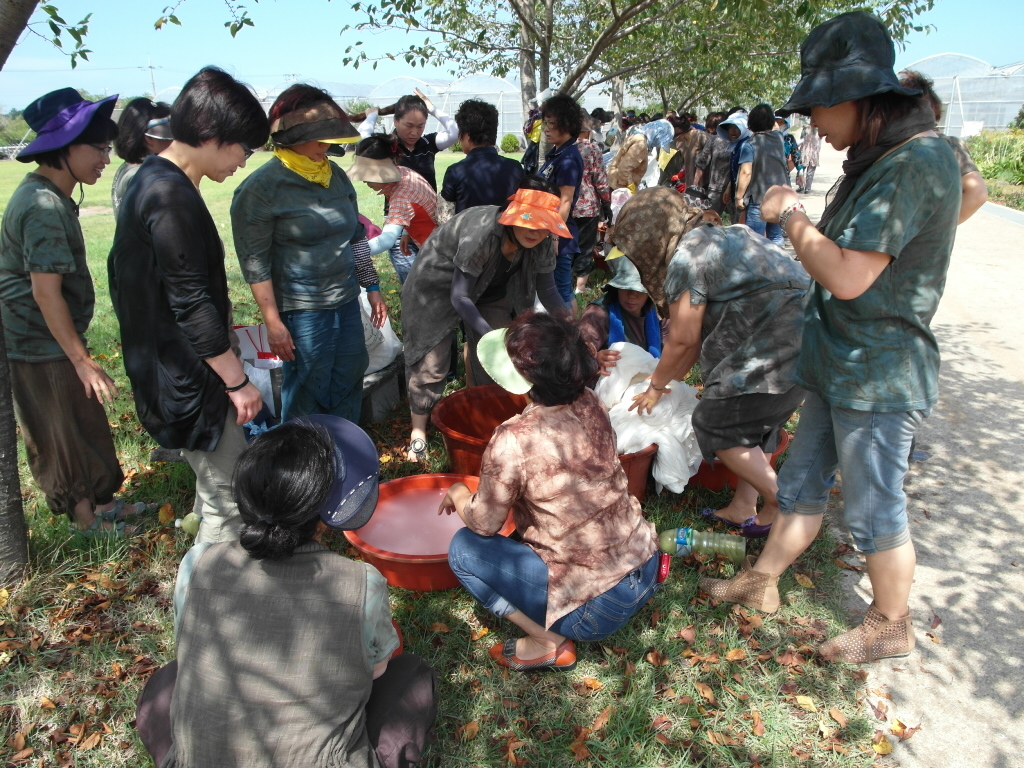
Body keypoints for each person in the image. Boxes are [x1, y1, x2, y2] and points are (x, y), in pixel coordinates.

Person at [699, 11, 961, 663]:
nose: (813, 122)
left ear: (854, 97)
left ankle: (890, 623)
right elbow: (965, 196)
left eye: (818, 106)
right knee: (800, 485)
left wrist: (790, 212)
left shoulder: (914, 160)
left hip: (877, 373)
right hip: (837, 362)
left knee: (874, 509)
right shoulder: (883, 157)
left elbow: (845, 276)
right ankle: (763, 580)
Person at [135, 417, 438, 768]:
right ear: (322, 516)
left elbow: (189, 649)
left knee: (167, 681)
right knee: (412, 675)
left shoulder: (198, 561)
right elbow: (375, 671)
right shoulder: (361, 582)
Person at [441, 311, 661, 671]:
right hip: (646, 564)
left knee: (463, 549)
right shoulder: (591, 401)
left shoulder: (513, 438)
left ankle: (545, 642)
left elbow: (484, 524)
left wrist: (459, 492)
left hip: (596, 609)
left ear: (523, 379)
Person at [108, 67, 269, 545]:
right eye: (243, 149)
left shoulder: (157, 178)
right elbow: (189, 302)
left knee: (214, 485)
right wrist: (237, 382)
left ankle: (201, 556)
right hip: (188, 377)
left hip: (180, 365)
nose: (242, 162)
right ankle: (214, 581)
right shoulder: (168, 195)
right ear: (213, 135)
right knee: (230, 500)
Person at [619, 188, 809, 538]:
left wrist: (655, 388)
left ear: (649, 238)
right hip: (808, 336)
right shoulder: (725, 235)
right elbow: (690, 343)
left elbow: (683, 339)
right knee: (757, 422)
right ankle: (743, 507)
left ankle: (783, 503)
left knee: (716, 423)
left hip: (774, 342)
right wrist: (668, 378)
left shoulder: (686, 257)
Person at [0, 87, 146, 537]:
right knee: (59, 431)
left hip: (56, 338)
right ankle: (86, 523)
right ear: (64, 148)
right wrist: (82, 361)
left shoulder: (52, 196)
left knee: (85, 421)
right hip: (38, 341)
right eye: (98, 148)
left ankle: (104, 504)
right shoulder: (42, 205)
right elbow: (46, 294)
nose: (106, 158)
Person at [231, 84, 386, 424]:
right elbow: (255, 263)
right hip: (301, 311)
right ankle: (303, 454)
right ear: (292, 138)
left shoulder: (336, 177)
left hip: (346, 302)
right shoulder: (261, 189)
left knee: (349, 374)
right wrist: (273, 323)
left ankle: (343, 446)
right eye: (318, 140)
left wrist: (372, 286)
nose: (325, 148)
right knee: (308, 386)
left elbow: (356, 237)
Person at [400, 178, 568, 461]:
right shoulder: (482, 234)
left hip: (492, 288)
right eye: (528, 222)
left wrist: (572, 326)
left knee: (501, 360)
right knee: (432, 361)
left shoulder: (542, 241)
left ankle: (482, 410)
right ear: (512, 214)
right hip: (439, 286)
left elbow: (548, 290)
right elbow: (460, 296)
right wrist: (492, 336)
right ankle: (418, 432)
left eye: (543, 225)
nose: (535, 231)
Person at [899, 69, 988, 223]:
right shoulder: (950, 145)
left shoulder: (950, 145)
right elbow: (977, 194)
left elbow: (977, 193)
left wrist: (934, 229)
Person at [347, 135, 438, 283]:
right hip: (431, 243)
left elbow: (386, 240)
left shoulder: (402, 194)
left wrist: (351, 252)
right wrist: (407, 231)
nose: (364, 181)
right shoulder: (404, 172)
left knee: (419, 289)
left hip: (437, 251)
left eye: (368, 175)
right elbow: (414, 208)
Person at [578, 256, 666, 377]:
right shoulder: (597, 314)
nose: (632, 295)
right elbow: (578, 354)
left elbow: (673, 352)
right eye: (626, 288)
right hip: (607, 381)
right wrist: (595, 358)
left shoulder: (659, 314)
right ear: (617, 288)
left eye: (640, 290)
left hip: (648, 380)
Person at [357, 88, 457, 191]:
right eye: (409, 126)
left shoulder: (429, 143)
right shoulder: (387, 146)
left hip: (428, 201)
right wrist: (373, 114)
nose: (414, 133)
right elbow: (363, 135)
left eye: (420, 126)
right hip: (396, 202)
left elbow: (455, 132)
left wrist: (432, 108)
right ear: (396, 121)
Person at [537, 93, 585, 306]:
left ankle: (570, 327)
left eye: (552, 124)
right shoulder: (559, 153)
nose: (546, 129)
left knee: (561, 292)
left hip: (558, 237)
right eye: (545, 123)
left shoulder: (568, 159)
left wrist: (554, 236)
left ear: (566, 124)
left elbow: (565, 201)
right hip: (549, 231)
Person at [441, 99, 524, 213]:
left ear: (467, 135)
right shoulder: (515, 168)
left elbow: (445, 216)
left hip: (467, 225)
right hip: (506, 224)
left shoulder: (455, 171)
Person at [571, 112, 611, 294]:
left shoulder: (563, 148)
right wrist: (606, 203)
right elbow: (600, 180)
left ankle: (564, 280)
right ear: (588, 130)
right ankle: (580, 286)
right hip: (587, 207)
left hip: (566, 205)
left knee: (566, 244)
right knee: (585, 246)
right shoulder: (592, 149)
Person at [111, 98, 172, 214]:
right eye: (168, 136)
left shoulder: (127, 169)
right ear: (149, 139)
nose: (173, 142)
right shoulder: (146, 177)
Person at [740, 104, 790, 246]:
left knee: (754, 241)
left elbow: (746, 172)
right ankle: (777, 259)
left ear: (751, 123)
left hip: (759, 198)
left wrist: (739, 197)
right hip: (779, 196)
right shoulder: (779, 138)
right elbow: (776, 127)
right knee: (776, 237)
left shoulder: (750, 144)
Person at [693, 112, 731, 213]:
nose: (710, 130)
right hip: (716, 190)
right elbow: (701, 163)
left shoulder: (742, 142)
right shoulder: (714, 140)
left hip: (734, 191)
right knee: (710, 218)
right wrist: (695, 185)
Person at [775, 114, 801, 186]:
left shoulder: (789, 139)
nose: (778, 124)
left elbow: (796, 154)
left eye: (781, 122)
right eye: (776, 121)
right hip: (768, 176)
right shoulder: (766, 138)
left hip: (784, 176)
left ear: (786, 124)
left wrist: (800, 171)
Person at [795, 125, 821, 193]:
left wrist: (796, 147)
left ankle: (801, 186)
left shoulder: (805, 129)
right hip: (814, 153)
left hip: (805, 152)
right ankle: (807, 188)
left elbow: (801, 140)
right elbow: (819, 142)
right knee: (810, 172)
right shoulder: (820, 130)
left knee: (801, 170)